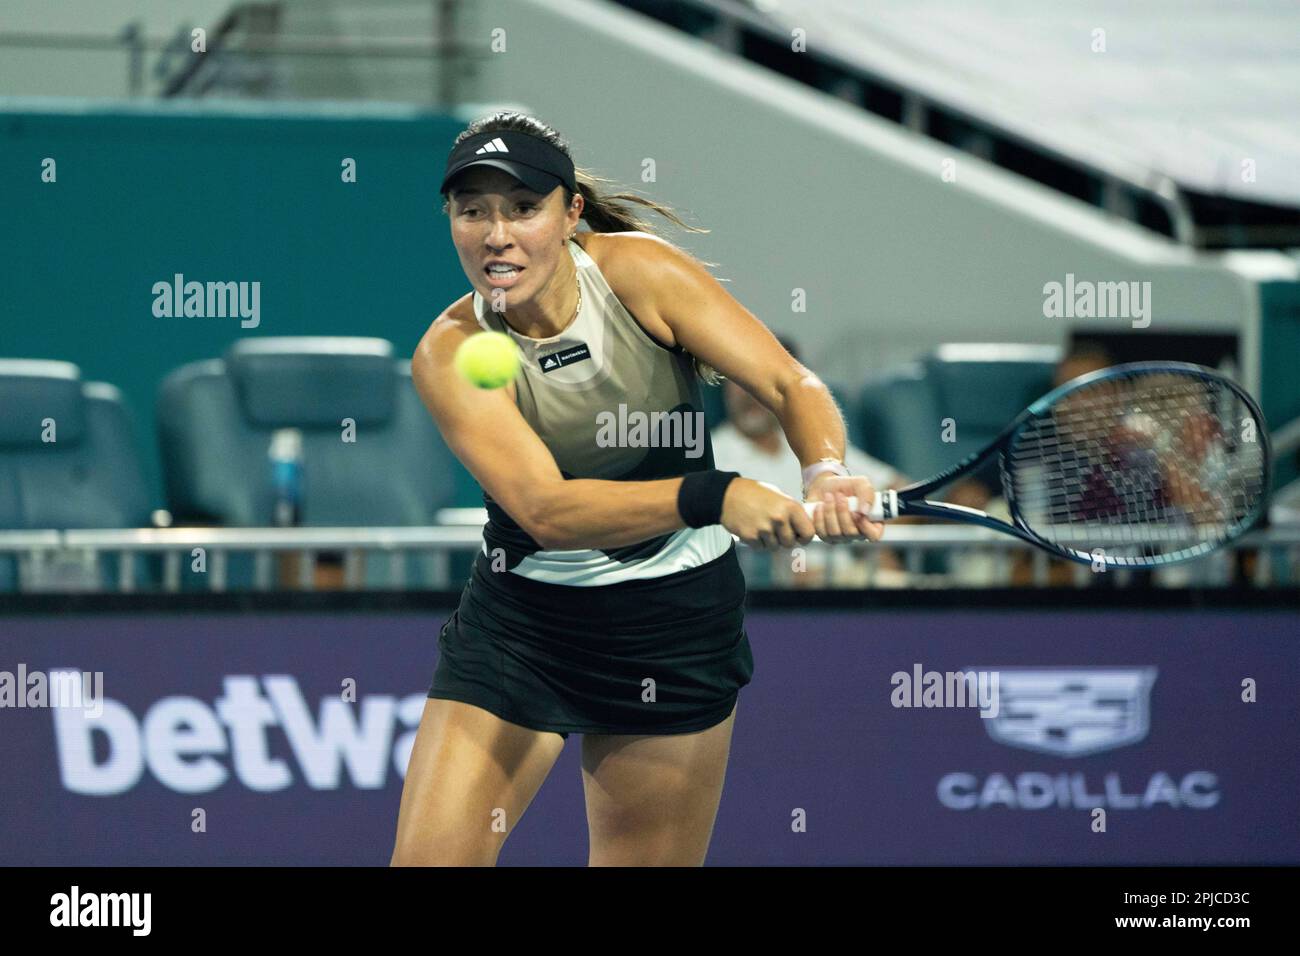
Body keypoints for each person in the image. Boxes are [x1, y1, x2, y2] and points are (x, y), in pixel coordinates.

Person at [390, 112, 884, 866]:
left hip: (674, 626)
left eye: (522, 208)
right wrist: (714, 497)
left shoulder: (640, 274)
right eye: (473, 211)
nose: (496, 234)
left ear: (570, 214)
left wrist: (826, 469)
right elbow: (548, 512)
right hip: (524, 627)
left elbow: (789, 381)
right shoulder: (450, 353)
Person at [710, 333, 908, 585]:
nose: (751, 390)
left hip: (855, 582)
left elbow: (898, 488)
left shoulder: (815, 446)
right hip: (774, 598)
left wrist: (876, 542)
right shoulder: (710, 456)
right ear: (724, 383)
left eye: (763, 379)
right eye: (740, 378)